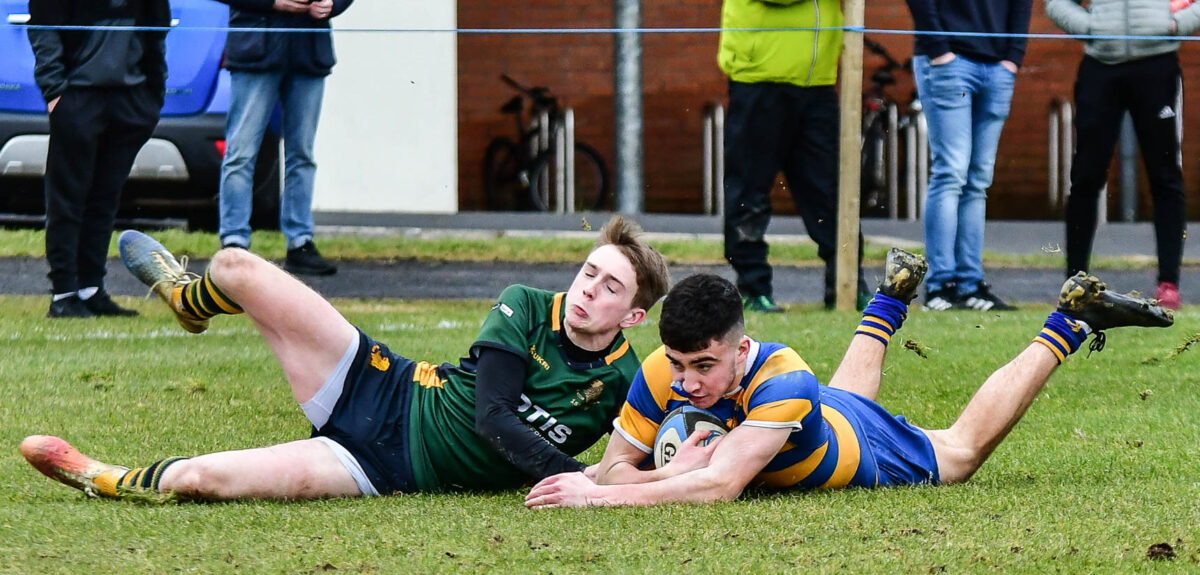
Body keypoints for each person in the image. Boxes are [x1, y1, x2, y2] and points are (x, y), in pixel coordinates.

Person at [20, 216, 671, 500]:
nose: (588, 289)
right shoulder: (527, 302)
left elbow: (654, 445)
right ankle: (190, 300)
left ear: (633, 316)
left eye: (610, 287)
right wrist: (573, 474)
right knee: (236, 266)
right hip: (380, 385)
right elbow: (491, 416)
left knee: (200, 481)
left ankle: (94, 473)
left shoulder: (624, 377)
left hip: (378, 466)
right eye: (589, 271)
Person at [524, 250, 1173, 508]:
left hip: (857, 448)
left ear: (740, 347)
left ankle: (1068, 322)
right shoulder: (661, 368)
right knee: (837, 397)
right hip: (817, 420)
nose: (687, 382)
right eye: (681, 365)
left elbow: (718, 486)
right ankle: (889, 298)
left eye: (705, 366)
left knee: (961, 450)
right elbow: (612, 465)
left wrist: (597, 497)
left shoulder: (783, 378)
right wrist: (654, 473)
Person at [1046, 0, 1200, 310]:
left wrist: (1176, 24)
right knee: (1086, 176)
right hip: (1100, 69)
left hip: (1157, 66)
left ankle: (1168, 284)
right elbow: (1055, 2)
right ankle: (1075, 282)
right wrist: (1089, 27)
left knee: (1165, 175)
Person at [718, 0, 868, 313]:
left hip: (818, 83)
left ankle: (847, 286)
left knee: (830, 193)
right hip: (760, 78)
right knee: (750, 188)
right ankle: (752, 289)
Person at [28, 0, 170, 318]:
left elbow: (157, 30)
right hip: (78, 97)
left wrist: (152, 98)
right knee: (67, 199)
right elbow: (42, 27)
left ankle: (91, 290)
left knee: (104, 199)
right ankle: (64, 294)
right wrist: (55, 92)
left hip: (130, 101)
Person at [906, 0, 1032, 311]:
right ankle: (941, 285)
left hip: (997, 67)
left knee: (977, 180)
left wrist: (1013, 59)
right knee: (951, 173)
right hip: (949, 62)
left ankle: (971, 284)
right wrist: (939, 50)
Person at [214, 0, 352, 276]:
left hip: (308, 52)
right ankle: (234, 243)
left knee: (302, 154)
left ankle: (301, 243)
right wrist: (274, 2)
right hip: (256, 50)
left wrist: (332, 4)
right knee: (241, 152)